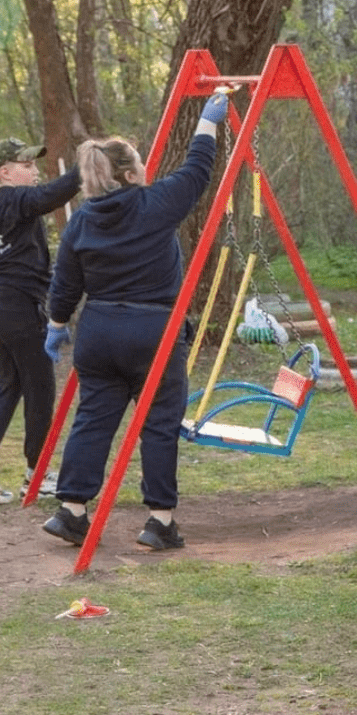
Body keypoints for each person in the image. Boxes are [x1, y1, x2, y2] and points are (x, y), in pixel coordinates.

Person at [40, 92, 228, 550]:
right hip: (153, 332)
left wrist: (57, 324)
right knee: (160, 422)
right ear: (128, 175)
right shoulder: (153, 205)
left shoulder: (82, 221)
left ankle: (72, 512)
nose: (147, 171)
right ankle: (159, 521)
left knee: (94, 419)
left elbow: (65, 285)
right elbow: (198, 170)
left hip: (98, 332)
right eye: (141, 165)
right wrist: (207, 123)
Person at [0, 138, 81, 505]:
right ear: (5, 173)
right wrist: (86, 167)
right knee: (40, 387)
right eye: (26, 165)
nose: (35, 170)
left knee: (6, 386)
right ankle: (37, 474)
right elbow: (48, 196)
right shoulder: (12, 198)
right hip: (19, 305)